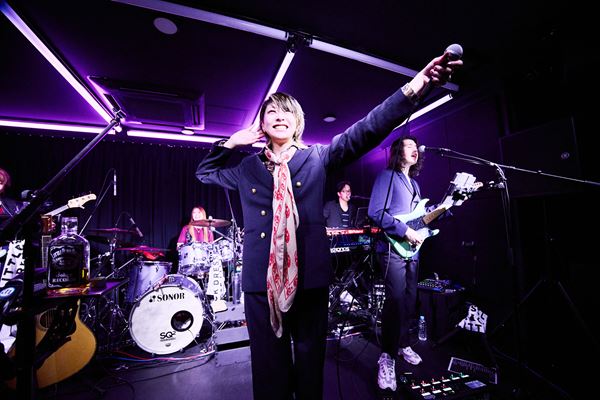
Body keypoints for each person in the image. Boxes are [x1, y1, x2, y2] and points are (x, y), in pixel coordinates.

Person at [196, 51, 461, 399]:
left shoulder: (317, 157)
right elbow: (206, 172)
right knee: (269, 369)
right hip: (262, 282)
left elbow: (366, 130)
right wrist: (232, 142)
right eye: (271, 112)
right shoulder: (247, 168)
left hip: (309, 279)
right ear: (261, 124)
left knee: (310, 366)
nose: (279, 116)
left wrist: (415, 88)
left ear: (298, 122)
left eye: (287, 111)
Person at [368, 134, 449, 391]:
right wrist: (404, 231)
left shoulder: (414, 184)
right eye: (409, 146)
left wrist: (444, 208)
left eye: (416, 147)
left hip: (412, 251)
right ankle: (386, 356)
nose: (415, 150)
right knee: (394, 301)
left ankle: (403, 344)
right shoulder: (386, 177)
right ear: (397, 151)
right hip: (392, 248)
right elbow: (375, 212)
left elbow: (418, 218)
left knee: (409, 299)